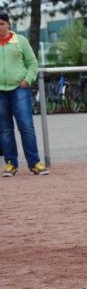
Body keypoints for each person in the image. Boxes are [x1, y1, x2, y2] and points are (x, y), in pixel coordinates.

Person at [0, 10, 48, 177]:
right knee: (5, 129)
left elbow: (32, 63)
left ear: (8, 24)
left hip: (19, 89)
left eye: (2, 24)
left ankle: (34, 163)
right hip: (0, 92)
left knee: (26, 127)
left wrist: (27, 81)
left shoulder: (20, 41)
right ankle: (10, 164)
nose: (0, 28)